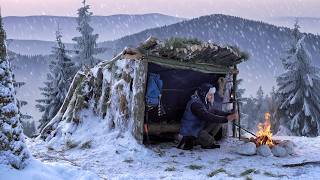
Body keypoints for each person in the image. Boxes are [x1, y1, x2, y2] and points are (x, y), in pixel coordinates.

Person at [177, 83, 238, 150]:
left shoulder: (204, 102)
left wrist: (228, 114)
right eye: (210, 94)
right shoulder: (195, 104)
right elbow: (206, 116)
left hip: (198, 128)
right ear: (204, 94)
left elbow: (214, 112)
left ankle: (205, 141)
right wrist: (225, 119)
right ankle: (187, 141)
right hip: (190, 132)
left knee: (218, 122)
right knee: (210, 141)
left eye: (212, 94)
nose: (212, 96)